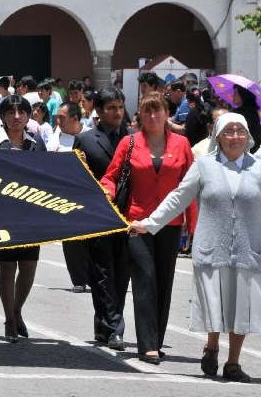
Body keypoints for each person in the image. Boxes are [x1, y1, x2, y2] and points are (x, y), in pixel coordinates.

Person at [130, 112, 261, 383]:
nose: (235, 137)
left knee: (243, 308)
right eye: (228, 131)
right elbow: (179, 197)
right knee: (215, 302)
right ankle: (212, 345)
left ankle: (233, 362)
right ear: (217, 136)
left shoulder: (259, 168)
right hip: (212, 248)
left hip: (246, 249)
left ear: (249, 136)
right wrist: (149, 223)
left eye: (240, 131)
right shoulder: (204, 166)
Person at [102, 92, 197, 365]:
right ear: (140, 115)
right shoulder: (129, 142)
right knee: (144, 278)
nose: (153, 116)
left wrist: (194, 226)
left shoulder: (182, 144)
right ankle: (148, 345)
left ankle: (155, 339)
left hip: (170, 223)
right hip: (137, 222)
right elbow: (111, 177)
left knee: (163, 282)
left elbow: (190, 188)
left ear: (167, 114)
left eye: (158, 111)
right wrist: (106, 196)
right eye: (147, 111)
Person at [0, 95, 45, 343]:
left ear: (29, 116)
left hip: (30, 215)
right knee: (7, 267)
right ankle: (9, 318)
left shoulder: (36, 143)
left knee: (29, 266)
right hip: (2, 214)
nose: (16, 117)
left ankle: (18, 310)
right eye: (10, 112)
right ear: (3, 117)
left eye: (21, 112)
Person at [71, 87, 130, 350]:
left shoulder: (133, 139)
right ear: (99, 111)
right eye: (111, 108)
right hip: (98, 215)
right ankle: (115, 327)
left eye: (120, 107)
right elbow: (76, 178)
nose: (117, 113)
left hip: (129, 218)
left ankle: (103, 324)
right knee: (102, 274)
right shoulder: (86, 140)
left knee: (122, 275)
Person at [232, 85, 261, 152]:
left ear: (243, 95)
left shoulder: (244, 113)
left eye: (235, 94)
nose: (233, 96)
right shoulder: (253, 111)